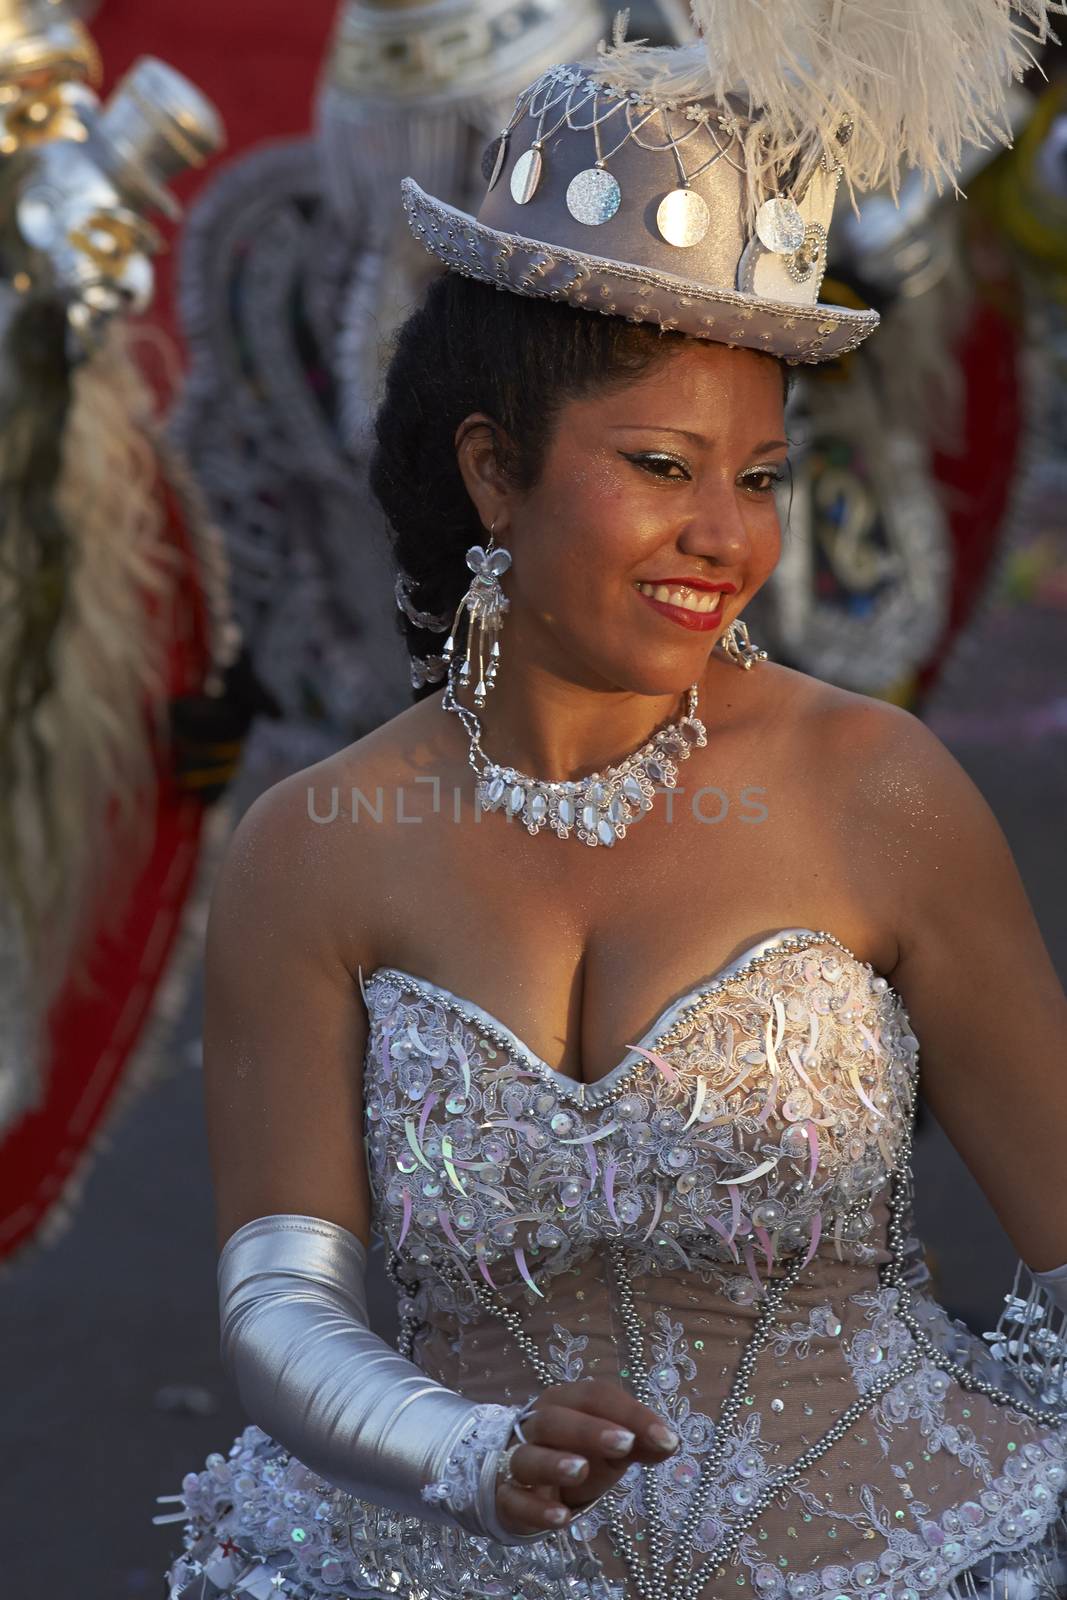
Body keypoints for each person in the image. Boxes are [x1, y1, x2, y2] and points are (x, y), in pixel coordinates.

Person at [158, 6, 1067, 1598]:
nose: (726, 535)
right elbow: (281, 1301)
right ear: (494, 473)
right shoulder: (312, 849)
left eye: (762, 477)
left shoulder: (879, 795)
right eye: (662, 466)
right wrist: (459, 1450)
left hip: (890, 1561)